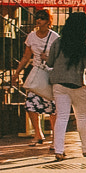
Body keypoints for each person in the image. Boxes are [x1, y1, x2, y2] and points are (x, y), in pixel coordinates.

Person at [45, 11, 86, 160]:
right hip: (79, 85)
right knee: (82, 117)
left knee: (61, 117)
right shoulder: (85, 45)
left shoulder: (58, 42)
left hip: (59, 84)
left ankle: (59, 150)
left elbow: (50, 63)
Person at [18, 9, 57, 144]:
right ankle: (38, 133)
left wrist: (49, 58)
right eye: (37, 17)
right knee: (30, 104)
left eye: (42, 18)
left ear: (48, 21)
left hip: (50, 74)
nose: (38, 20)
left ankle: (54, 137)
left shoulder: (55, 37)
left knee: (52, 106)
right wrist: (17, 72)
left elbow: (59, 56)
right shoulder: (31, 36)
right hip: (36, 72)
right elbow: (26, 56)